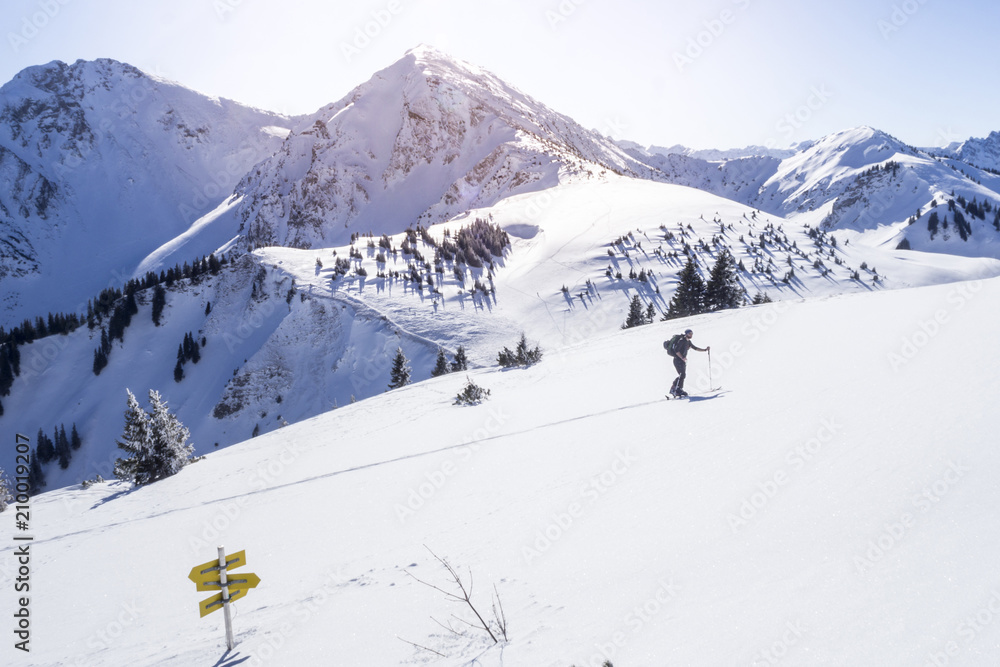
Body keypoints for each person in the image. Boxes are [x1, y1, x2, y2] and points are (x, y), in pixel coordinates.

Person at [670, 329, 709, 397]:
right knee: (682, 375)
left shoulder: (688, 342)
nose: (691, 335)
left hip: (682, 360)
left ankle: (679, 389)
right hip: (677, 360)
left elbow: (695, 348)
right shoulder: (682, 341)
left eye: (691, 333)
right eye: (689, 333)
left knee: (683, 375)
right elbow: (676, 351)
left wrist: (705, 350)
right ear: (686, 334)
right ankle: (673, 389)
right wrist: (682, 357)